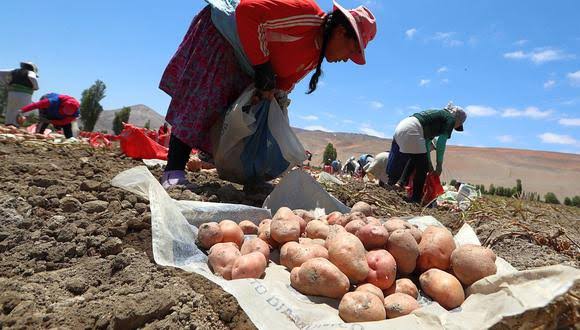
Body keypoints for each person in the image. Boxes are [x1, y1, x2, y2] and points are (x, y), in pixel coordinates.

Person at [158, 0, 377, 189]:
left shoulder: (313, 57)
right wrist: (263, 67)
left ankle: (247, 173)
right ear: (341, 32)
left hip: (246, 61)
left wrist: (269, 97)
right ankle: (173, 170)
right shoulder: (306, 14)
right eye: (352, 50)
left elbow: (283, 82)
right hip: (224, 35)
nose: (348, 58)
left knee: (238, 113)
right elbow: (248, 10)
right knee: (203, 99)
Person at [386, 102, 467, 203]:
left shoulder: (437, 118)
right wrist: (439, 165)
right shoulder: (450, 119)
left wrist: (429, 163)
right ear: (458, 119)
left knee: (413, 160)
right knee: (422, 169)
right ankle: (415, 199)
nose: (455, 128)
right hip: (413, 129)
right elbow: (441, 143)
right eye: (458, 125)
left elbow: (426, 145)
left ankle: (397, 184)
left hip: (402, 126)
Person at [0, 62, 39, 127]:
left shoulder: (14, 70)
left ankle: (8, 125)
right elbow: (32, 78)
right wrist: (36, 87)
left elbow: (0, 72)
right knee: (22, 110)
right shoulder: (31, 72)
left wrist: (6, 83)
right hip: (25, 94)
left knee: (11, 109)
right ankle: (16, 126)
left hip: (12, 93)